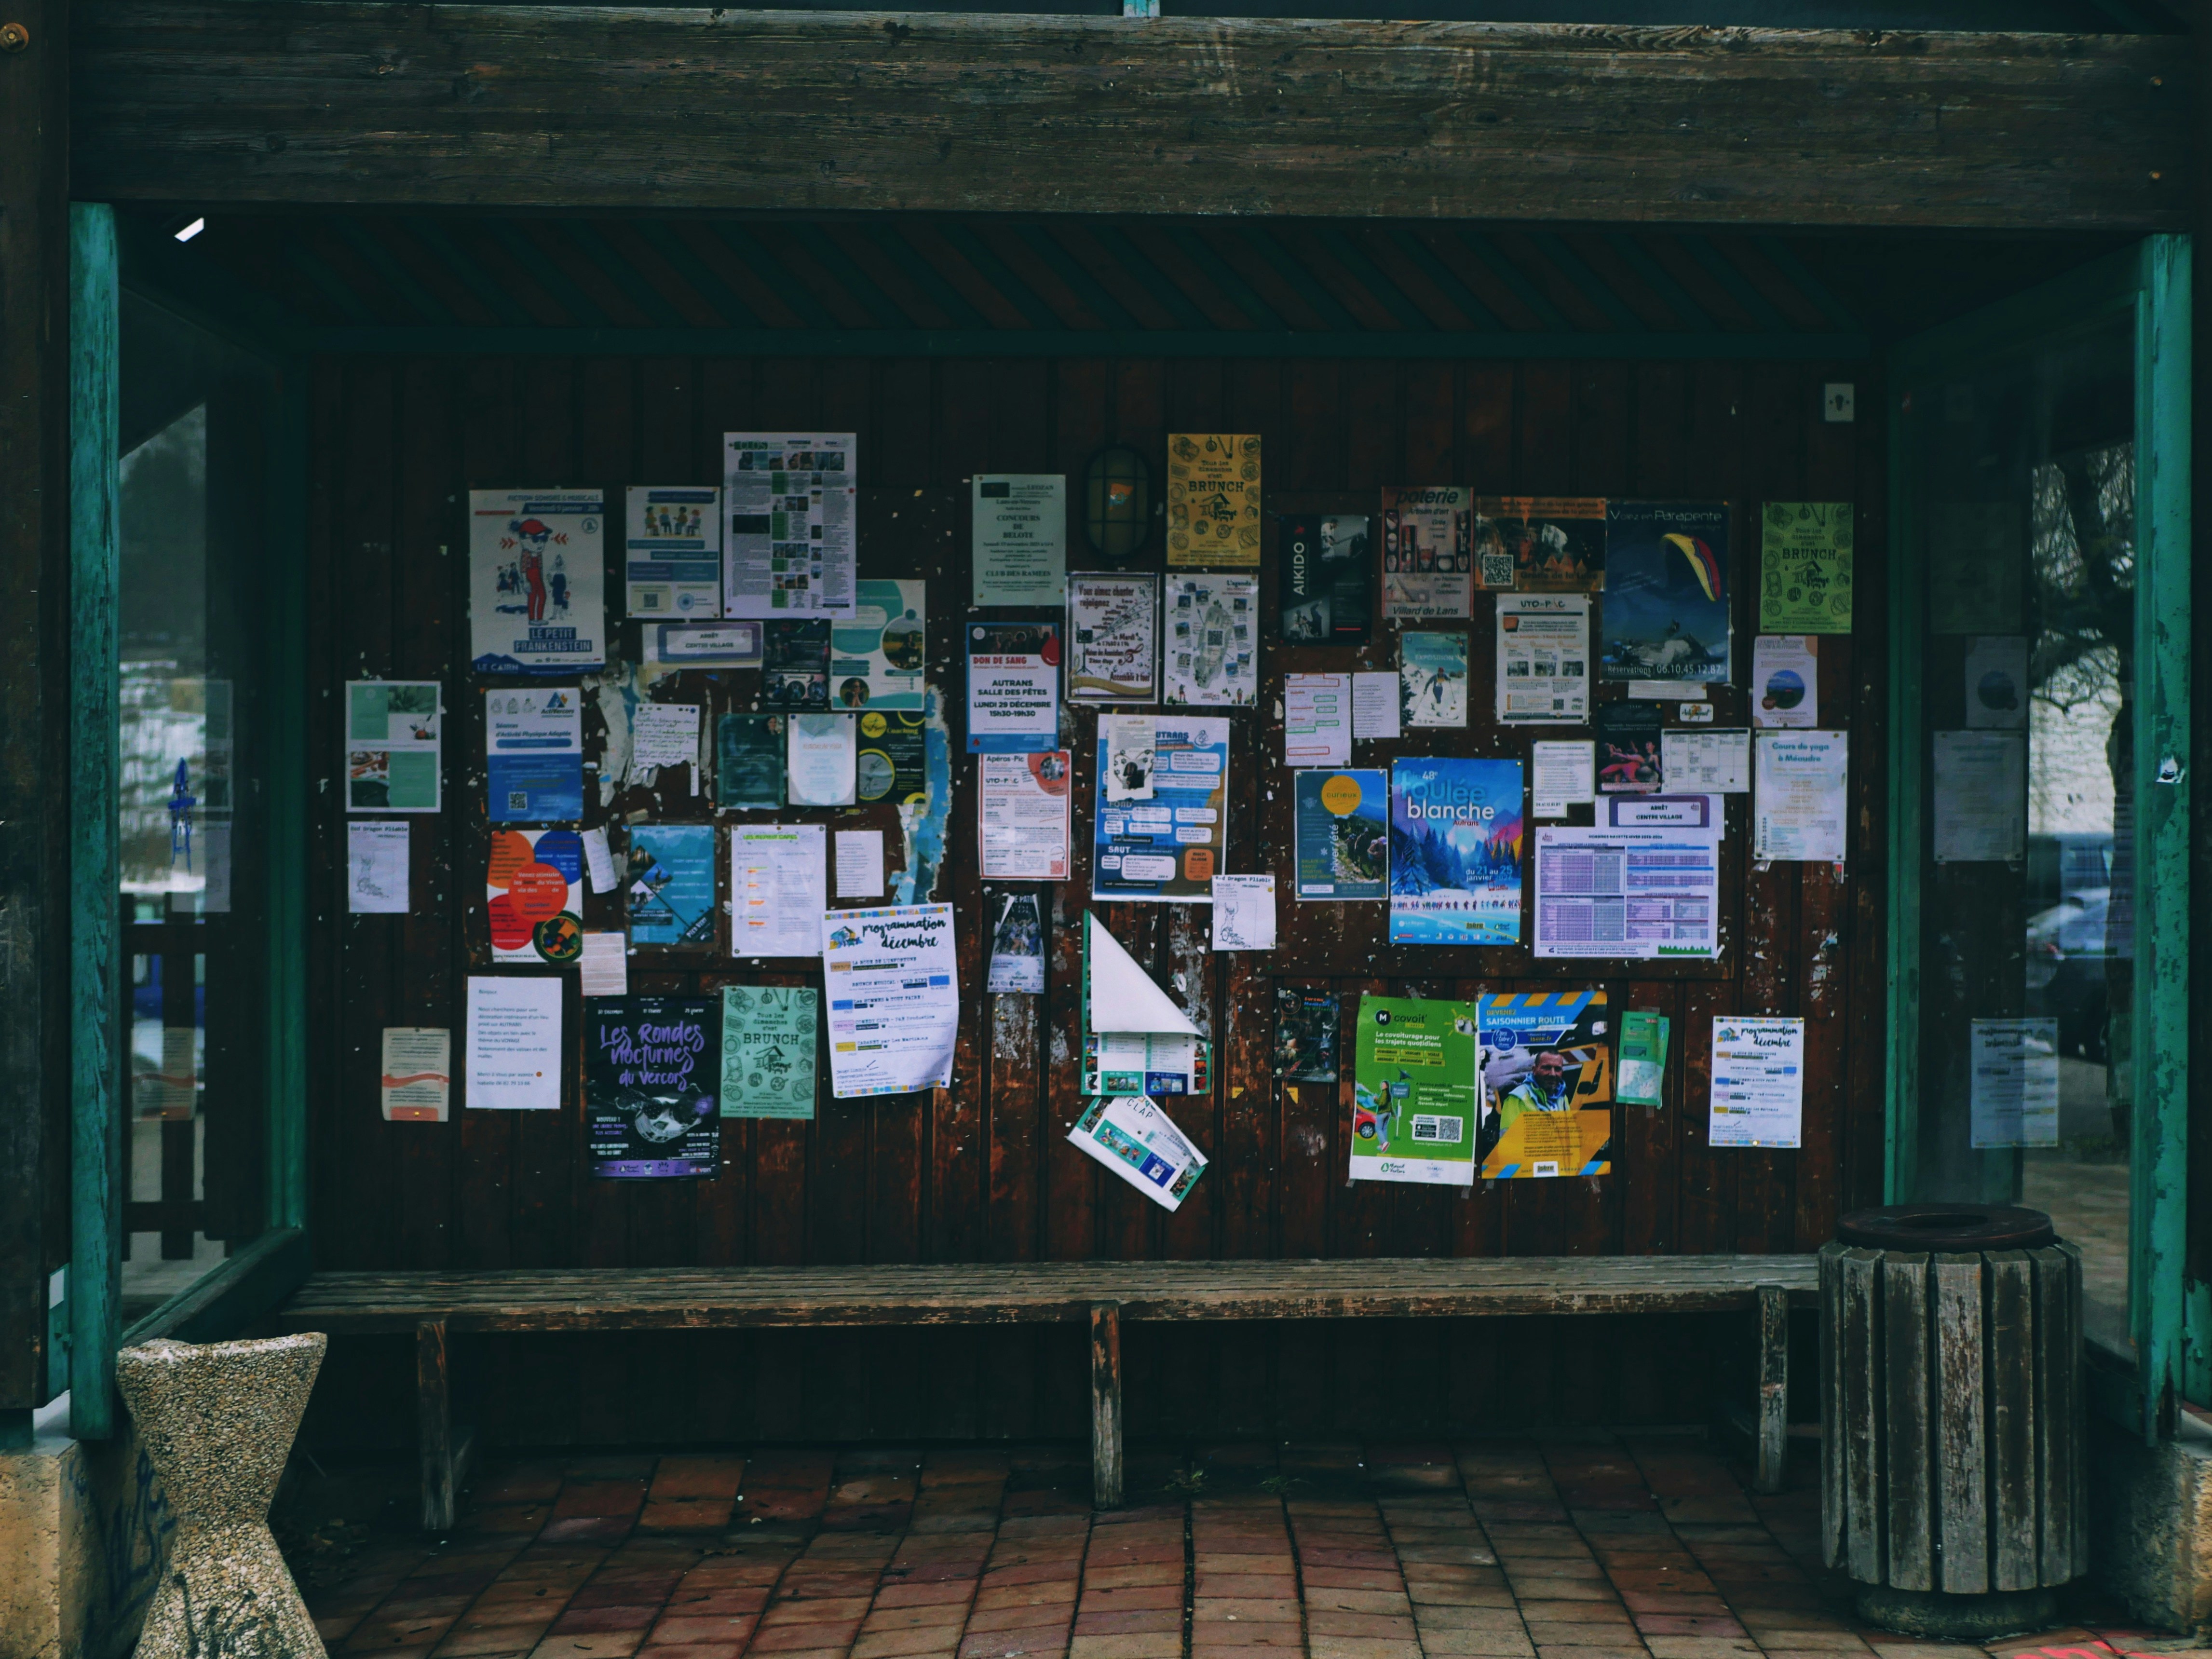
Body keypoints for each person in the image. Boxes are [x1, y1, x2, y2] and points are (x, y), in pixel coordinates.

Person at [1496, 1047, 1575, 1131]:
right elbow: (1511, 1138)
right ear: (1534, 1070)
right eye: (1547, 1068)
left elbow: (1571, 1134)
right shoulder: (1517, 1099)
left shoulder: (1562, 1098)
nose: (1553, 1074)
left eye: (1557, 1069)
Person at [511, 517, 552, 622]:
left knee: (543, 596)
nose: (540, 543)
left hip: (538, 578)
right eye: (535, 539)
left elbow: (540, 567)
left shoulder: (539, 554)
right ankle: (532, 619)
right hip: (530, 578)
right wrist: (525, 582)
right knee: (532, 597)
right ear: (523, 540)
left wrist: (541, 578)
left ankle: (540, 618)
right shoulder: (526, 554)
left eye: (544, 539)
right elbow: (523, 568)